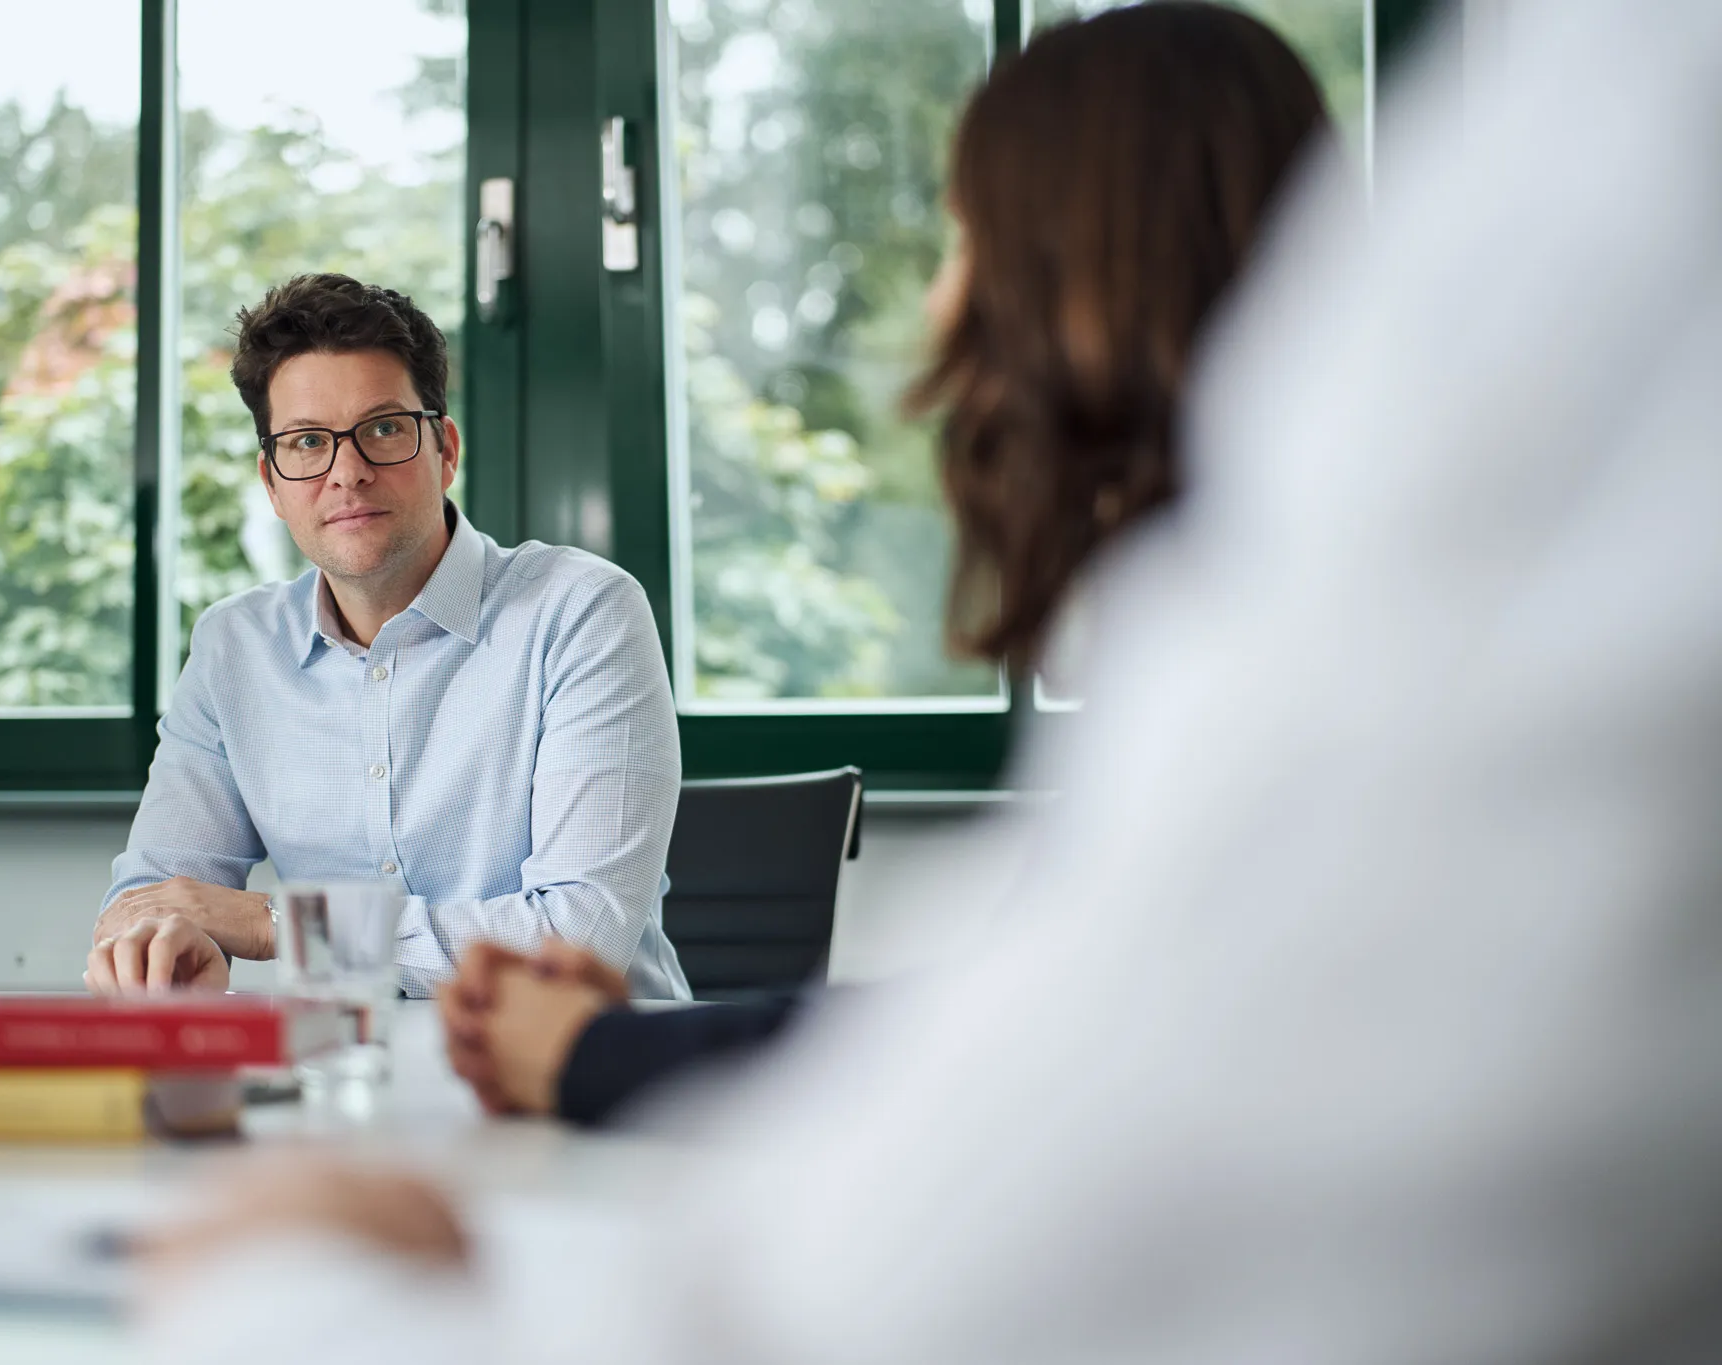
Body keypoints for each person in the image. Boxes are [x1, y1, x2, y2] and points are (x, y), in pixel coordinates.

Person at [139, 0, 1722, 1359]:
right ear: (271, 476)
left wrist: (270, 1278)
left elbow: (824, 1298)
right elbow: (984, 1045)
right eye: (304, 443)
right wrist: (179, 930)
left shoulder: (1382, 708)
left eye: (972, 250)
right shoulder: (1253, 687)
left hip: (552, 1171)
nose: (944, 313)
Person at [441, 0, 1333, 1123]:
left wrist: (590, 1058)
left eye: (969, 241)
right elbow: (1009, 1013)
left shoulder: (1284, 664)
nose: (941, 298)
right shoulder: (1238, 604)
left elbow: (1047, 1065)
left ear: (1096, 275)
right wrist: (604, 1046)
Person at [85, 275, 690, 1000]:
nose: (348, 472)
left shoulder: (583, 613)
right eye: (307, 442)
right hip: (347, 1077)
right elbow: (152, 899)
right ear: (273, 485)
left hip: (597, 1081)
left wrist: (282, 923)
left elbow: (576, 940)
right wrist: (160, 955)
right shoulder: (232, 649)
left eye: (383, 429)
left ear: (446, 450)